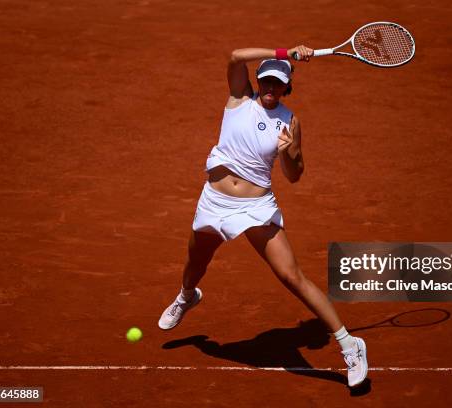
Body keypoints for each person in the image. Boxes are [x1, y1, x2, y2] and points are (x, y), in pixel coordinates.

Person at [158, 45, 368, 387]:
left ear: (287, 88)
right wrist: (283, 51)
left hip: (255, 208)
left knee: (291, 275)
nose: (271, 89)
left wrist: (290, 153)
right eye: (267, 81)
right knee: (197, 262)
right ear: (258, 81)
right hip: (214, 201)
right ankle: (186, 297)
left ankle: (349, 344)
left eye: (278, 84)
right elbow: (236, 55)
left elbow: (294, 174)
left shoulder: (290, 121)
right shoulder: (238, 100)